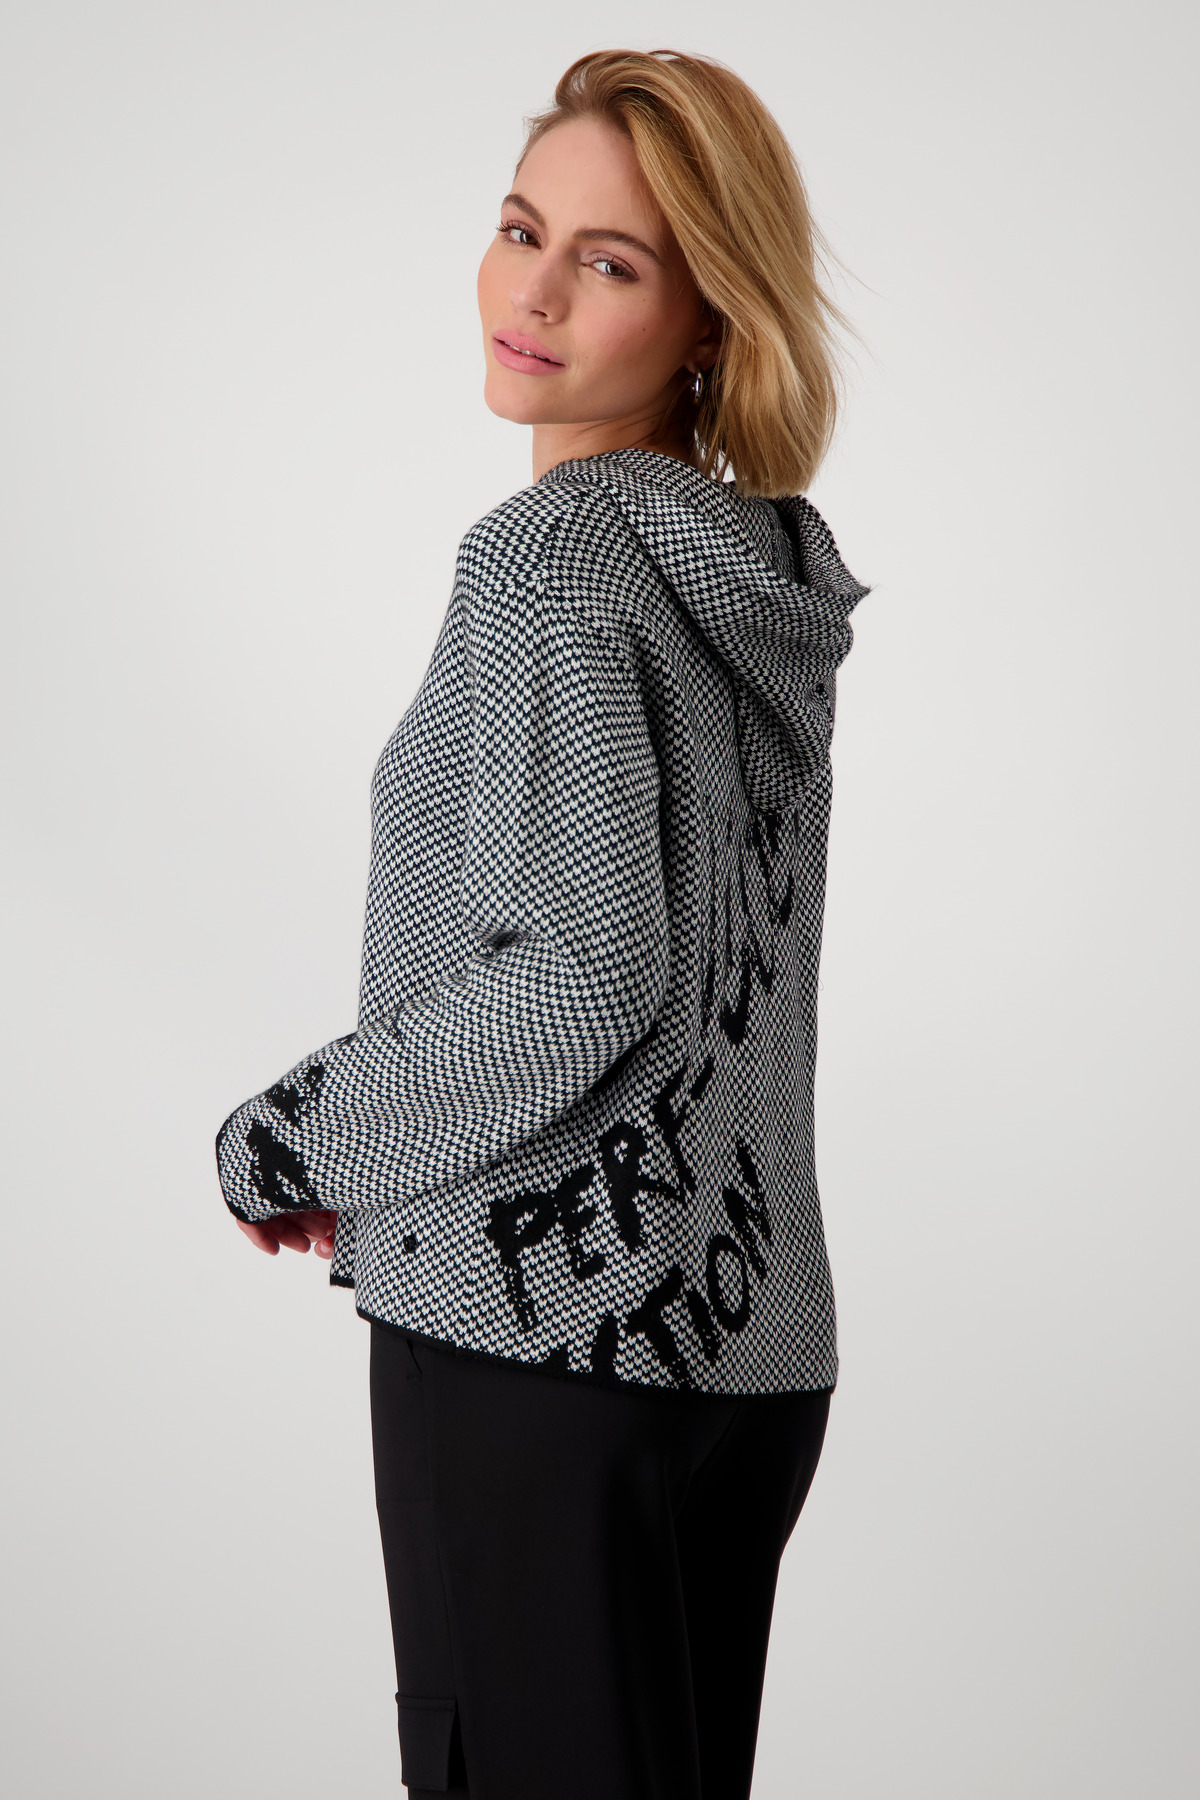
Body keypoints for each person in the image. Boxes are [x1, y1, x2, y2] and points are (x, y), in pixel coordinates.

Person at [215, 46, 873, 1800]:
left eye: (611, 261)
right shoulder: (755, 582)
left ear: (708, 319)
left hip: (536, 1343)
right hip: (744, 1353)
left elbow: (580, 977)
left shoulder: (551, 559)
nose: (536, 293)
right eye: (523, 231)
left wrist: (291, 1137)